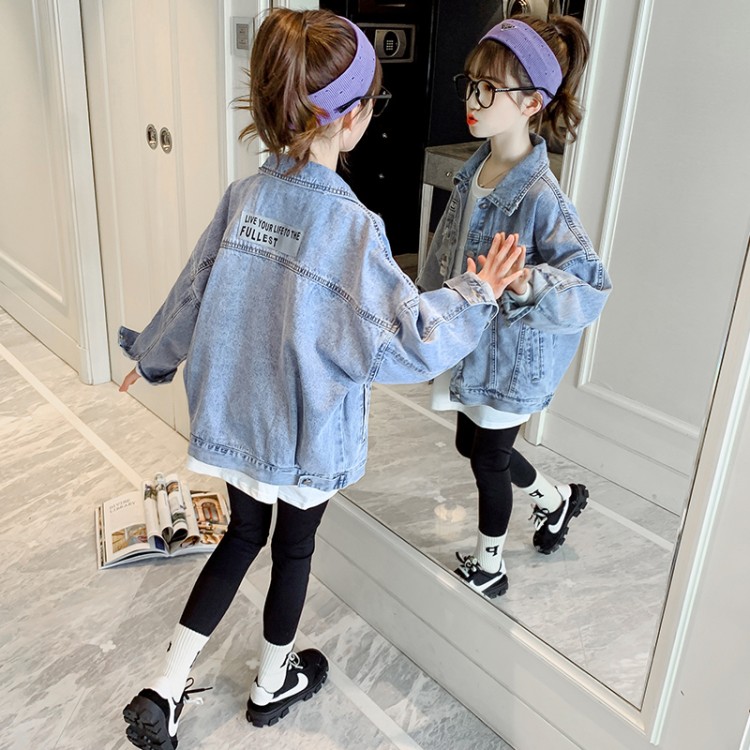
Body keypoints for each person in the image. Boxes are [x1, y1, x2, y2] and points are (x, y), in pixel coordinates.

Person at [117, 9, 526, 750]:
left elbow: (192, 290)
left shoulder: (244, 196)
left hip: (238, 417)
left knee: (241, 536)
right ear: (353, 116)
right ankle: (272, 683)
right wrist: (478, 291)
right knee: (293, 550)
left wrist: (152, 355)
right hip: (305, 430)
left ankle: (165, 686)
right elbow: (407, 340)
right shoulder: (354, 228)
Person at [418, 15, 612, 599]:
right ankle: (555, 500)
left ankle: (491, 566)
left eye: (490, 89)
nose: (473, 100)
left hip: (510, 360)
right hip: (471, 346)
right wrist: (424, 313)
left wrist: (528, 285)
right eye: (471, 83)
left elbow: (591, 286)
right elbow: (445, 249)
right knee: (471, 446)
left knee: (488, 462)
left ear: (531, 103)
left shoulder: (542, 195)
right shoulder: (475, 170)